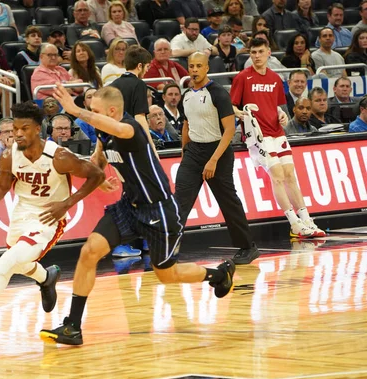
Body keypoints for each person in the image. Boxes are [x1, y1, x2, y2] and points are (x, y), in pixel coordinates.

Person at [39, 85, 237, 346]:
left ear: (112, 111)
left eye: (95, 111)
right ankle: (73, 326)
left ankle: (219, 275)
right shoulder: (104, 129)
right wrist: (98, 179)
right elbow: (98, 160)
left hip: (159, 211)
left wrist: (75, 110)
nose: (91, 115)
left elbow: (120, 131)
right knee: (89, 251)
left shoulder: (131, 129)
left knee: (166, 274)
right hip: (128, 206)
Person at [0, 101, 105, 341]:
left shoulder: (58, 156)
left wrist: (67, 203)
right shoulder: (9, 156)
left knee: (6, 263)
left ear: (37, 129)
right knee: (18, 264)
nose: (18, 134)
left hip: (48, 218)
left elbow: (96, 175)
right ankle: (47, 278)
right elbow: (0, 188)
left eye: (24, 128)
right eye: (15, 128)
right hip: (21, 215)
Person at [230, 37, 325, 238]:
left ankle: (307, 219)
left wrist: (281, 114)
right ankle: (294, 223)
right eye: (253, 53)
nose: (256, 56)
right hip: (258, 135)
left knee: (291, 175)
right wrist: (240, 114)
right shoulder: (243, 77)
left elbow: (277, 106)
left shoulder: (274, 78)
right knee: (278, 176)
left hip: (277, 132)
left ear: (268, 53)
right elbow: (231, 106)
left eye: (260, 52)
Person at [176, 52, 259, 265]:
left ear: (206, 68)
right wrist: (184, 149)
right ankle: (170, 246)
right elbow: (186, 124)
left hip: (218, 152)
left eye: (198, 66)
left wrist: (213, 160)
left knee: (227, 201)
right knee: (180, 201)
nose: (194, 70)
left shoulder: (218, 93)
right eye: (191, 66)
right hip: (194, 152)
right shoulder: (185, 95)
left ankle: (247, 246)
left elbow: (230, 130)